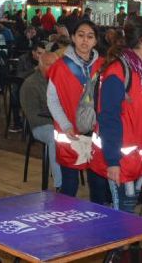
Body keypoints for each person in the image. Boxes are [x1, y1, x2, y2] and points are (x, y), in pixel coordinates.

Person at [91, 16, 142, 212]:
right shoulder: (118, 72)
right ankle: (118, 243)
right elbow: (109, 119)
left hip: (139, 156)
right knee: (123, 212)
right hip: (121, 158)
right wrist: (112, 161)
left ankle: (125, 242)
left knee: (128, 212)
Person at [46, 20, 106, 202]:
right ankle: (65, 226)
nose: (84, 41)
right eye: (80, 35)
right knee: (69, 185)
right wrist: (65, 125)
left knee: (99, 184)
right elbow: (52, 100)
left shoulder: (104, 66)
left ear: (95, 41)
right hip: (71, 133)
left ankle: (97, 225)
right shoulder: (60, 67)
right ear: (72, 38)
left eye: (90, 36)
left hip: (97, 134)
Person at [20, 50, 61, 190]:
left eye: (56, 64)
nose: (54, 68)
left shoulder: (61, 80)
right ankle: (60, 185)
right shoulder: (30, 84)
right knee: (55, 138)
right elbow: (33, 116)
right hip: (41, 125)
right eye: (50, 65)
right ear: (41, 66)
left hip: (60, 123)